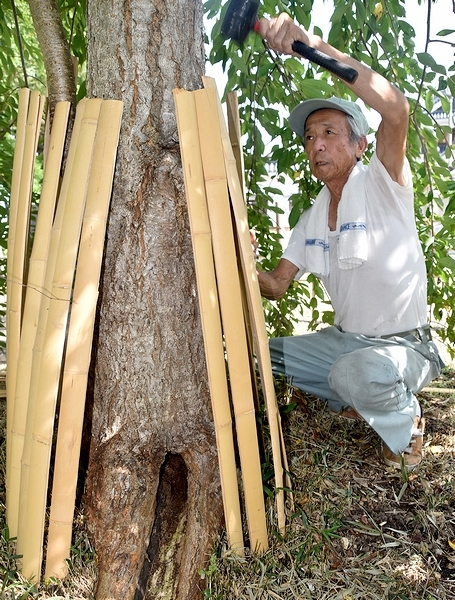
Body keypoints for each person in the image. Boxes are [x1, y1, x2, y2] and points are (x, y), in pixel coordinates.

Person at [255, 14, 443, 470]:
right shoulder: (312, 218)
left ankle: (406, 426)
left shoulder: (384, 182)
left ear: (360, 145)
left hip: (407, 347)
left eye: (329, 133)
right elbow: (277, 285)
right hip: (345, 343)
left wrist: (313, 46)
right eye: (309, 137)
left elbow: (396, 109)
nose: (316, 144)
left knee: (353, 372)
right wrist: (233, 256)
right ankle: (362, 393)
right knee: (262, 355)